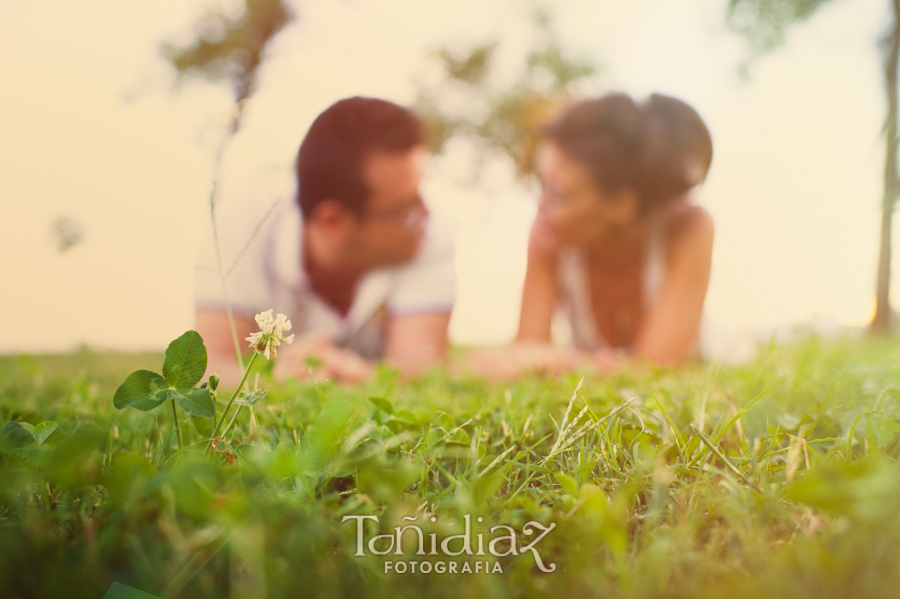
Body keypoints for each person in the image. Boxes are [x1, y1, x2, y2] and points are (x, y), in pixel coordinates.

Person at [194, 96, 456, 386]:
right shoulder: (245, 224)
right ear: (334, 221)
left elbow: (420, 371)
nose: (426, 213)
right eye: (404, 208)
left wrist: (360, 375)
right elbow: (206, 368)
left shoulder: (424, 232)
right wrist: (277, 380)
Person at [469, 92, 714, 379]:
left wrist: (550, 361)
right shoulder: (550, 233)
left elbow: (655, 370)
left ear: (620, 205)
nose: (540, 205)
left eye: (558, 194)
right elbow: (526, 357)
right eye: (541, 183)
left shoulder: (688, 228)